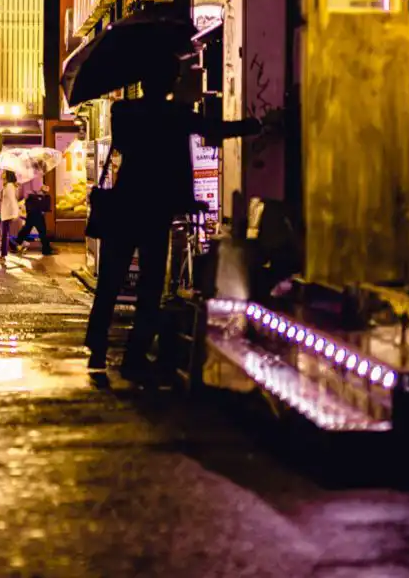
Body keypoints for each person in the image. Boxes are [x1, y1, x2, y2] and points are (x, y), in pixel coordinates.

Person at [84, 54, 263, 382]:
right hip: (155, 209)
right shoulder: (177, 114)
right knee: (150, 287)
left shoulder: (124, 110)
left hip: (125, 206)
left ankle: (97, 349)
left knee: (109, 282)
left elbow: (122, 144)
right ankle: (134, 356)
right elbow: (216, 131)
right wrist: (256, 124)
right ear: (168, 82)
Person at [15, 184, 55, 255]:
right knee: (41, 231)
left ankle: (17, 243)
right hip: (36, 213)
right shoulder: (33, 182)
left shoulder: (28, 184)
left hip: (32, 212)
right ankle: (46, 250)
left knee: (27, 229)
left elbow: (22, 196)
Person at [0, 170, 20, 260]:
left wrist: (13, 213)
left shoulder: (9, 186)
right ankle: (15, 247)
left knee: (5, 234)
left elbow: (11, 200)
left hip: (8, 213)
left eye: (4, 172)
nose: (2, 173)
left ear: (8, 175)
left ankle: (3, 255)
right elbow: (2, 199)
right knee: (6, 234)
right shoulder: (7, 185)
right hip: (7, 213)